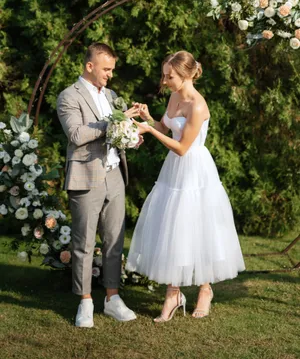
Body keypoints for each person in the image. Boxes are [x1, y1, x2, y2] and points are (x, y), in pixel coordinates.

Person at [127, 50, 245, 322]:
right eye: (164, 75)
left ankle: (205, 289)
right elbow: (165, 128)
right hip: (174, 172)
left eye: (170, 76)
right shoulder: (174, 96)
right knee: (172, 226)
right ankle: (173, 293)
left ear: (186, 75)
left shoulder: (198, 106)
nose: (165, 80)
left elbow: (181, 147)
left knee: (197, 226)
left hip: (194, 169)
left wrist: (150, 131)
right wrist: (148, 119)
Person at [57, 42, 140, 327]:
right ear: (89, 66)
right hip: (86, 176)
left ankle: (112, 299)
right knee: (84, 243)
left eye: (112, 69)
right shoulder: (69, 95)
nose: (110, 75)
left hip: (114, 174)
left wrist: (131, 135)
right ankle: (85, 302)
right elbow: (76, 134)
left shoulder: (113, 95)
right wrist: (114, 121)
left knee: (114, 242)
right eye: (106, 69)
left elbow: (118, 132)